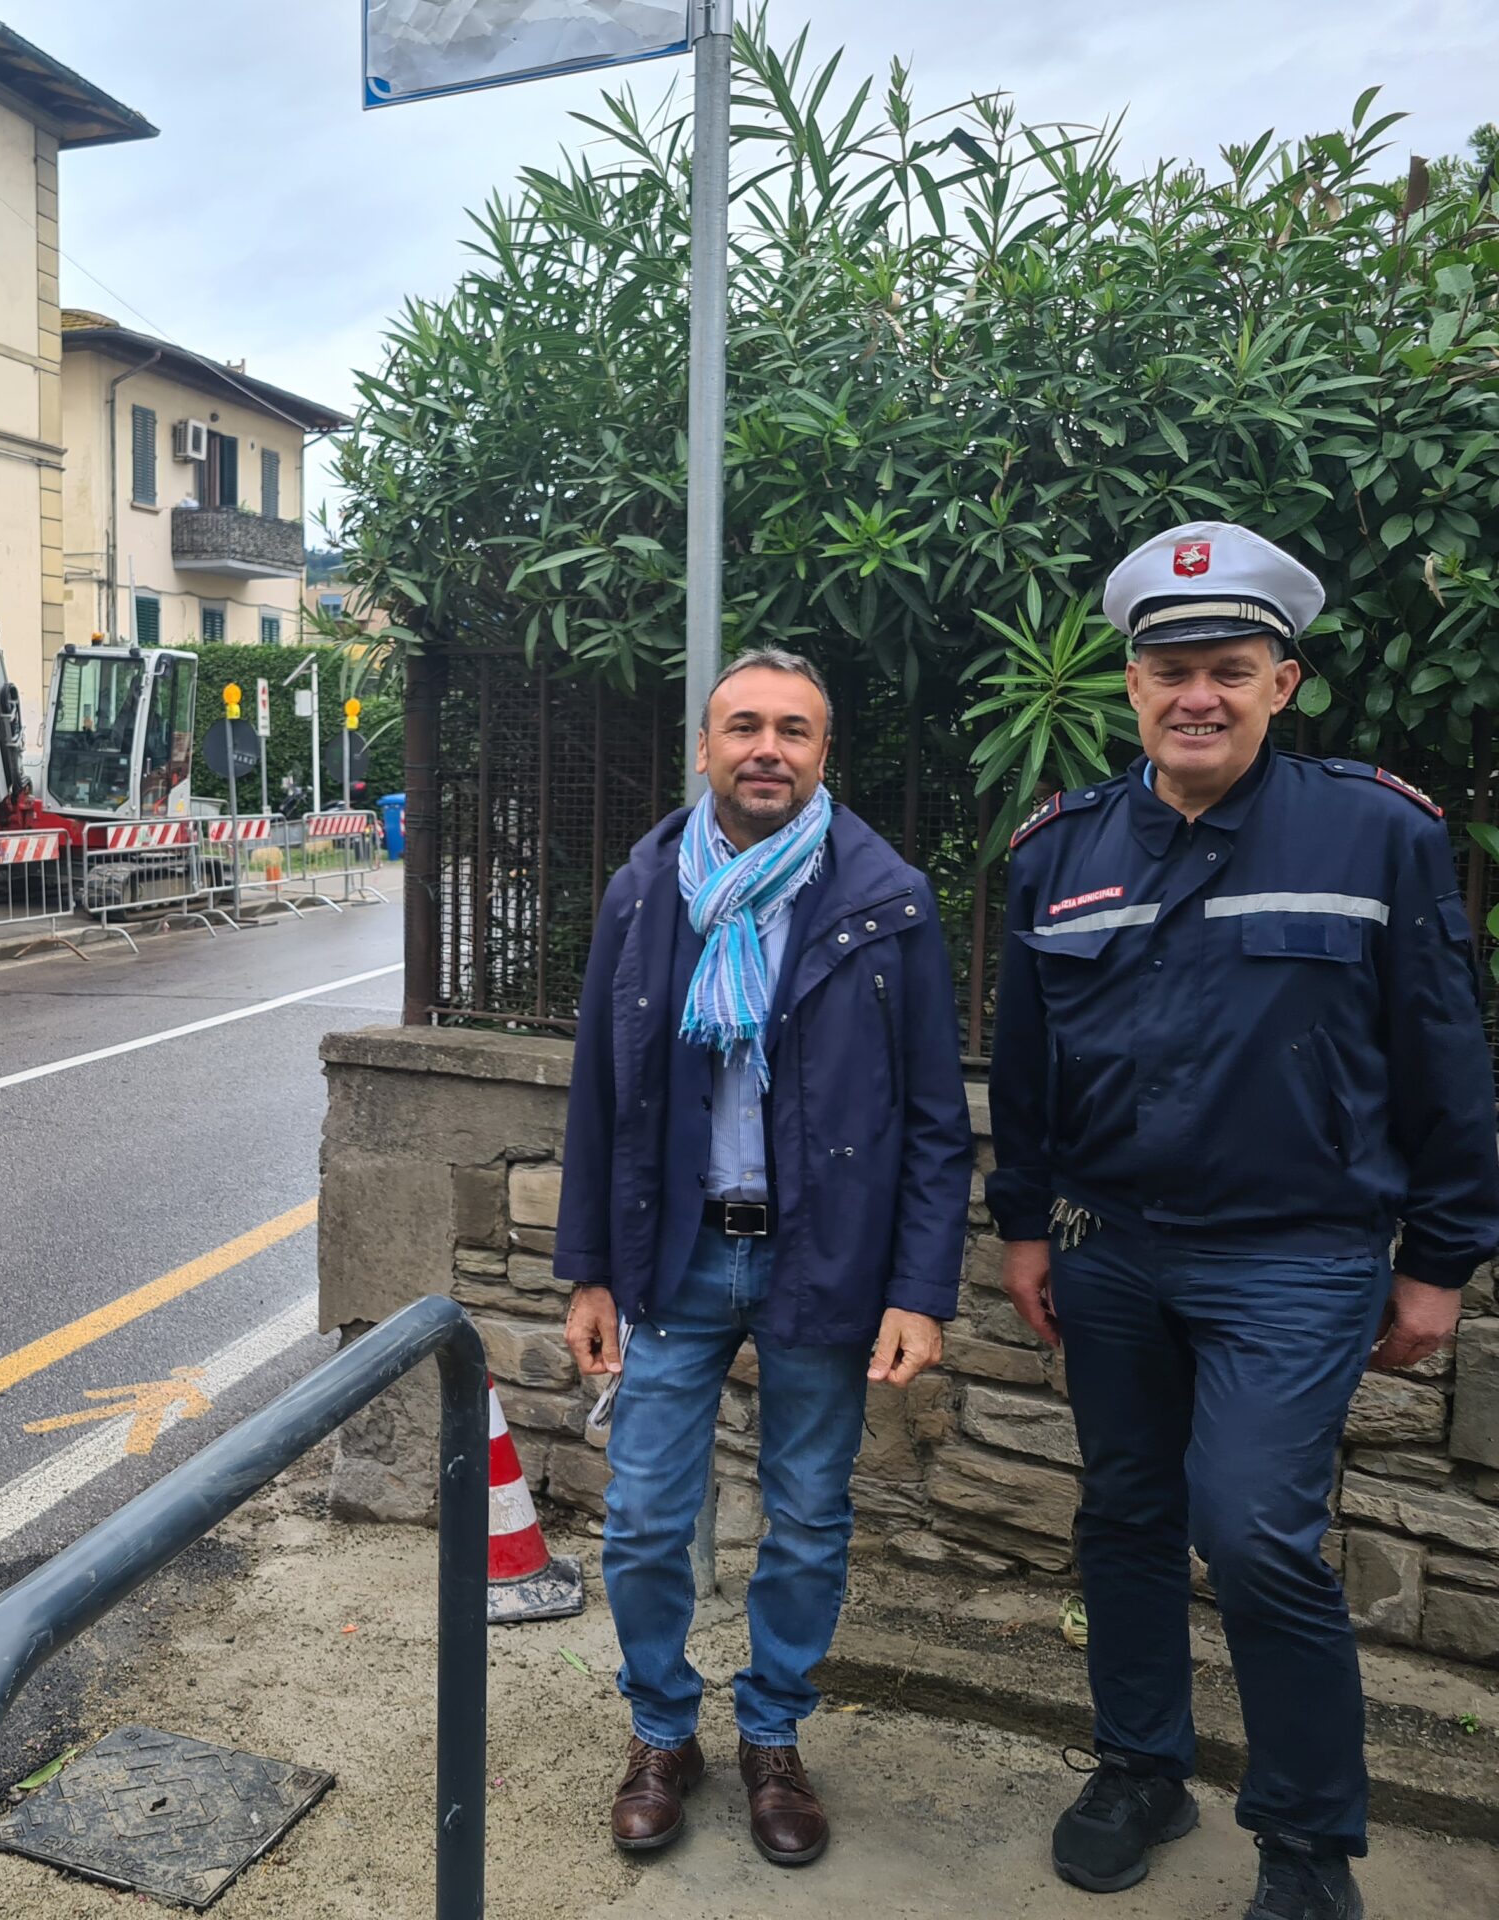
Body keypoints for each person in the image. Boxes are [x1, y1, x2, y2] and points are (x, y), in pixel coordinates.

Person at [988, 521, 1499, 1920]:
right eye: (1168, 671)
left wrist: (1443, 1262)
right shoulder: (1061, 854)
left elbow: (1448, 1059)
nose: (1194, 695)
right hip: (1113, 1252)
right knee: (1129, 1514)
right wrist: (1022, 1226)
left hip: (1299, 1255)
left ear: (1283, 682)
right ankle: (1141, 1766)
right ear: (1129, 687)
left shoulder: (1378, 834)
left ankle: (1307, 1841)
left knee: (1257, 1531)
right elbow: (1023, 1066)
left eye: (1227, 667)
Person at [557, 648, 973, 1867]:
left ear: (822, 753)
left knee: (805, 1516)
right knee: (639, 1518)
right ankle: (659, 1732)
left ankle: (773, 1736)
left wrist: (918, 1288)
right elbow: (598, 1092)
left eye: (793, 729)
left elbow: (934, 1117)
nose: (766, 749)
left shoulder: (886, 897)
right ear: (704, 748)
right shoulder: (646, 890)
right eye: (742, 726)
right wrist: (587, 1269)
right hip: (675, 1261)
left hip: (821, 1263)